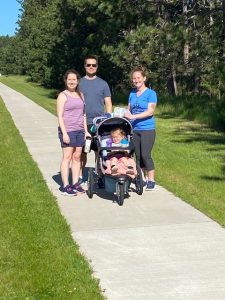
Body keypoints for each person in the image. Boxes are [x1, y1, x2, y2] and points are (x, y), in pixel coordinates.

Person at [79, 55, 112, 184]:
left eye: (94, 65)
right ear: (85, 66)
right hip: (83, 124)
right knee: (83, 152)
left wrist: (107, 119)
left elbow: (108, 103)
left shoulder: (103, 84)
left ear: (97, 67)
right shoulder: (79, 83)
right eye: (88, 65)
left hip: (99, 124)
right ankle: (81, 177)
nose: (91, 67)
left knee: (100, 151)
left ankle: (100, 176)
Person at [57, 69, 91, 196]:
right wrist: (64, 133)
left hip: (80, 131)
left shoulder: (81, 95)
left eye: (74, 79)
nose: (72, 81)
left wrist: (86, 131)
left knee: (77, 157)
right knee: (67, 157)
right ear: (66, 81)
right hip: (68, 130)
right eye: (69, 79)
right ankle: (65, 186)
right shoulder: (62, 95)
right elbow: (60, 116)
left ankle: (75, 183)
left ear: (77, 81)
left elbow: (83, 114)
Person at [124, 66, 157, 190]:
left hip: (147, 129)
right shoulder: (132, 94)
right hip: (135, 129)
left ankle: (151, 180)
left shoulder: (151, 93)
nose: (136, 80)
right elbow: (129, 109)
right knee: (138, 155)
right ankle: (141, 178)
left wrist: (134, 116)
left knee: (145, 154)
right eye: (134, 78)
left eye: (138, 78)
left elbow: (150, 111)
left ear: (144, 78)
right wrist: (125, 115)